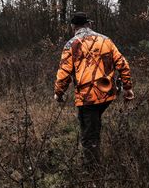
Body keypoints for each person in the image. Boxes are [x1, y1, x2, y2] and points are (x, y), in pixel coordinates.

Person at [54, 12, 134, 170]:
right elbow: (122, 64)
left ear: (73, 27)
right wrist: (127, 88)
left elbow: (64, 72)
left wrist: (59, 92)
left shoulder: (71, 45)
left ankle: (92, 174)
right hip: (108, 93)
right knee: (94, 125)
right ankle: (95, 161)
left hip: (87, 98)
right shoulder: (105, 40)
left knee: (89, 136)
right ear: (88, 24)